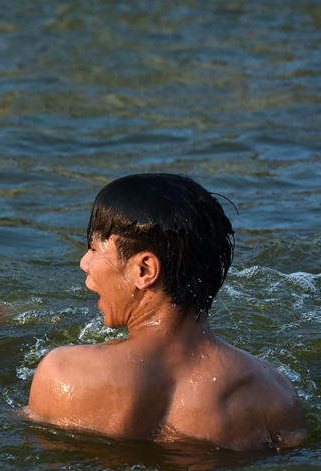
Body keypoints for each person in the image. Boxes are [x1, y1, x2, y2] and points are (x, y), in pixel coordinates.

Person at [26, 173, 307, 450]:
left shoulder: (63, 375)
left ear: (144, 270)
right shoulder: (273, 395)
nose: (84, 263)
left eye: (94, 248)